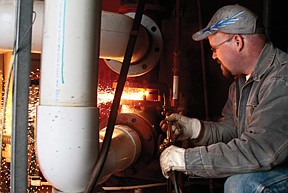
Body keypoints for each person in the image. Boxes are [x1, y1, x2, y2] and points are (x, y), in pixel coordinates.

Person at [159, 4, 288, 193]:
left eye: (214, 48)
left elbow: (261, 150)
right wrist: (196, 129)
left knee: (242, 185)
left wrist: (186, 160)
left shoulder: (281, 80)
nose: (213, 56)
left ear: (237, 41)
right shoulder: (240, 84)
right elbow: (233, 131)